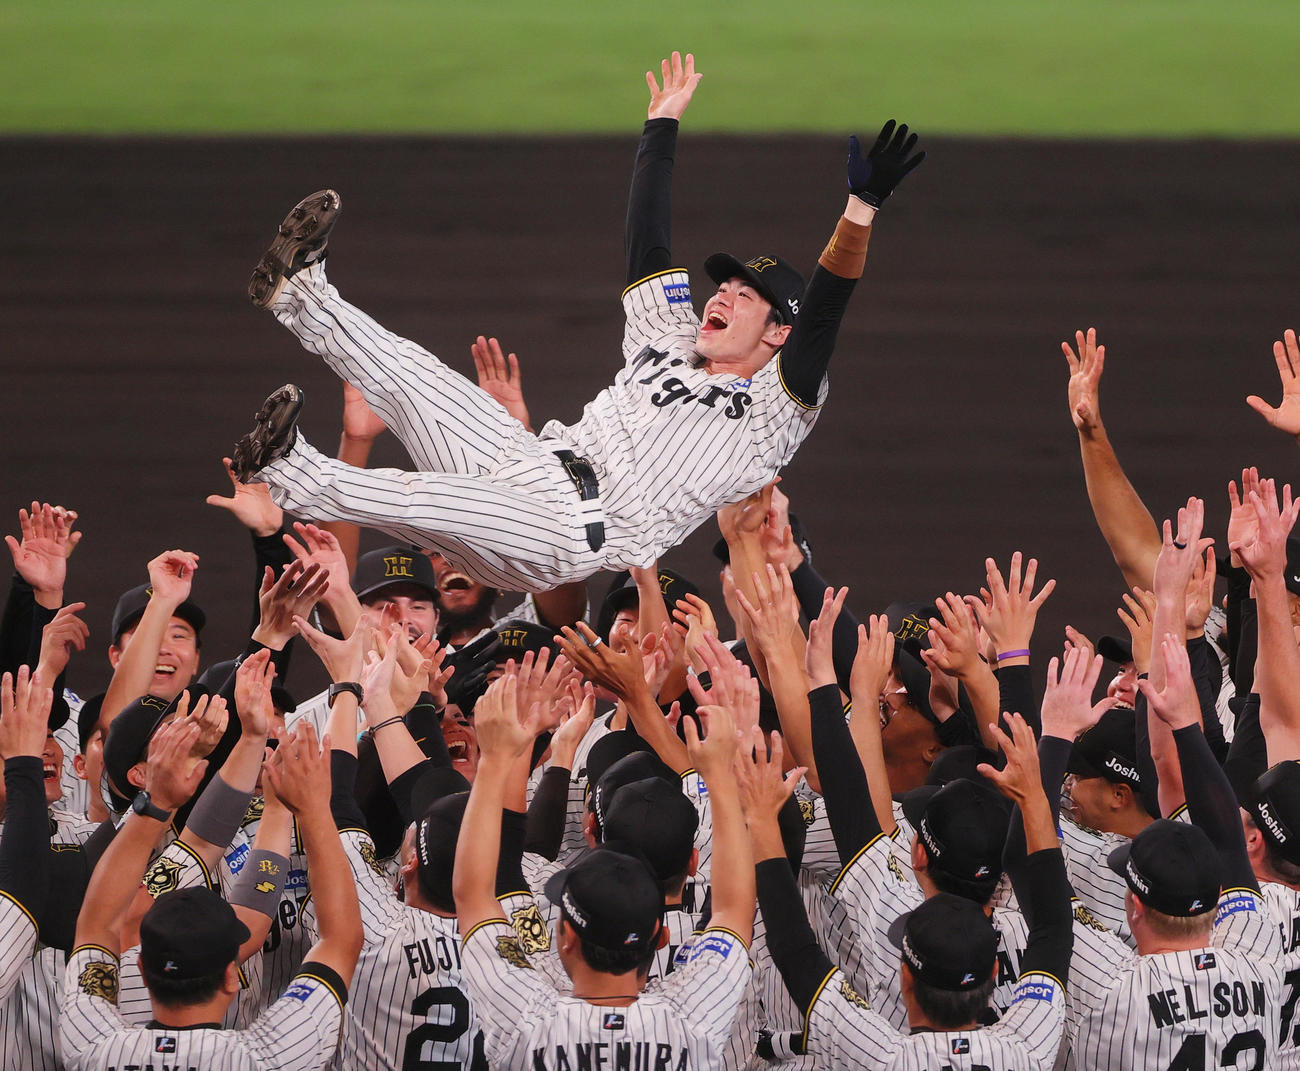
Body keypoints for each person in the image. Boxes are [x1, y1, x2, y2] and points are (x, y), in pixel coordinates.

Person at [233, 51, 925, 592]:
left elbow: (826, 314)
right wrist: (660, 129)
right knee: (414, 374)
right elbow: (647, 248)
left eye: (748, 296)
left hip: (567, 531)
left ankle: (290, 472)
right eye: (727, 284)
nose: (723, 295)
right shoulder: (672, 341)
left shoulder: (774, 412)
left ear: (780, 333)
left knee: (422, 498)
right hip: (527, 460)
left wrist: (860, 208)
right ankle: (301, 294)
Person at [59, 716, 363, 1070]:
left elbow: (96, 925)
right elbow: (340, 940)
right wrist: (313, 809)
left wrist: (154, 802)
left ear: (142, 969)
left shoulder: (95, 1048)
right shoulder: (263, 1059)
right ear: (231, 976)